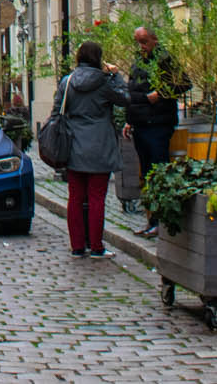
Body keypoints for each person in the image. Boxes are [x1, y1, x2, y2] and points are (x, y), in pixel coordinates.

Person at [51, 41, 129, 258]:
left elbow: (57, 111)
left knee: (75, 197)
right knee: (96, 197)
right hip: (100, 145)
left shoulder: (67, 82)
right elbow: (126, 98)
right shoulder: (105, 83)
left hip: (74, 143)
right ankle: (96, 246)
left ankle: (77, 245)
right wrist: (117, 75)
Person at [127, 24, 190, 238]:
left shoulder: (165, 60)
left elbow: (184, 83)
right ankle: (151, 220)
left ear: (154, 39)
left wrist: (161, 93)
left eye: (144, 41)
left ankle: (161, 222)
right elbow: (133, 92)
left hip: (158, 124)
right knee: (146, 174)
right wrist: (130, 119)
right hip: (141, 125)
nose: (141, 46)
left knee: (158, 172)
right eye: (138, 42)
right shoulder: (138, 62)